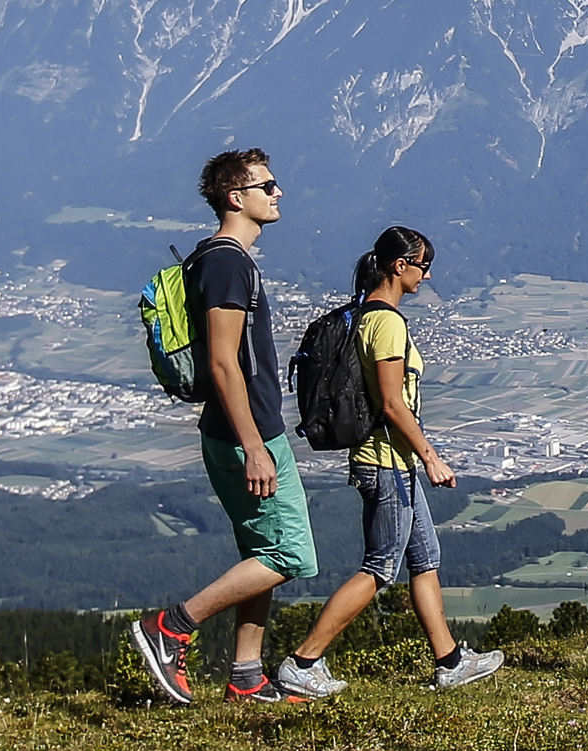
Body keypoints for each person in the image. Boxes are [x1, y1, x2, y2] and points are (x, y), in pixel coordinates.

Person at [274, 224, 503, 697]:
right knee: (379, 568)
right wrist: (431, 457)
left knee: (425, 559)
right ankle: (302, 661)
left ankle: (450, 662)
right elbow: (393, 403)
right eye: (423, 265)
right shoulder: (387, 323)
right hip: (386, 463)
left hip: (390, 463)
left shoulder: (366, 315)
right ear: (400, 266)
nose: (427, 275)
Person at [127, 149, 316, 706]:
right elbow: (222, 361)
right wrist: (255, 446)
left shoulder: (215, 259)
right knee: (289, 555)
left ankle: (246, 676)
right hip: (246, 432)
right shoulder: (228, 263)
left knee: (262, 551)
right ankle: (171, 627)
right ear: (237, 197)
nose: (278, 193)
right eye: (267, 185)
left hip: (235, 428)